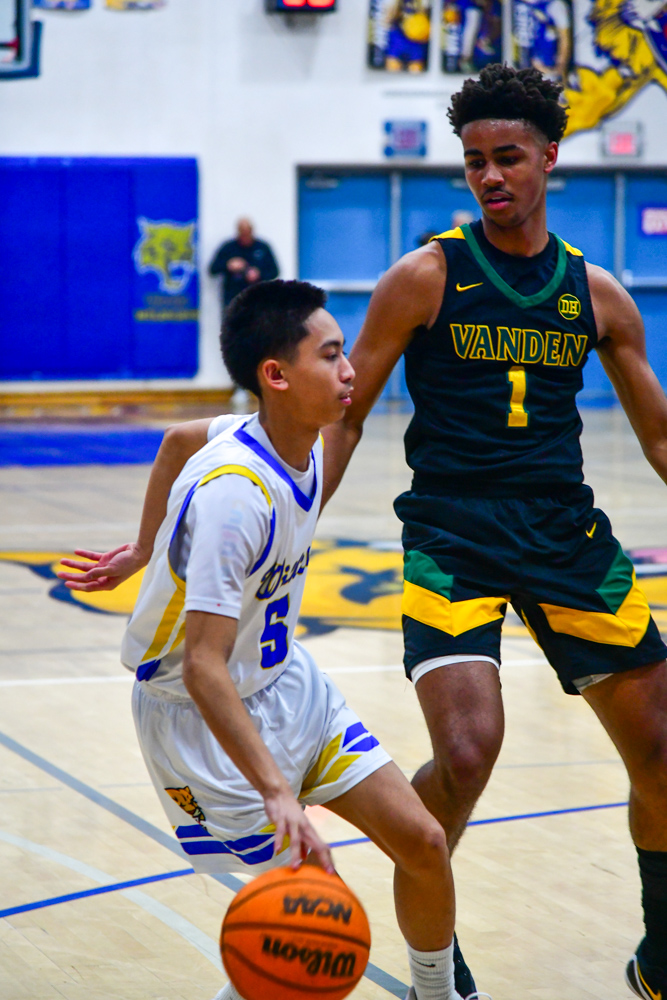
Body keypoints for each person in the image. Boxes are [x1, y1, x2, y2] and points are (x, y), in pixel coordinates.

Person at [320, 64, 667, 1000]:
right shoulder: (423, 276)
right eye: (473, 161)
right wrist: (292, 517)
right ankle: (431, 957)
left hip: (564, 535)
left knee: (661, 752)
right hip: (452, 534)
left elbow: (660, 438)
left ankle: (661, 956)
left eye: (506, 157)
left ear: (549, 157)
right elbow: (345, 418)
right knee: (468, 753)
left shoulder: (596, 294)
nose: (488, 176)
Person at [58, 280, 486, 1000]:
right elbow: (203, 667)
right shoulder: (236, 497)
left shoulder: (286, 438)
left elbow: (175, 440)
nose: (350, 369)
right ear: (276, 375)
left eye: (344, 353)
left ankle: (437, 994)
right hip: (202, 722)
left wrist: (143, 548)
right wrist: (277, 791)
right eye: (331, 354)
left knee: (423, 841)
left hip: (286, 683)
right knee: (302, 925)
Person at [209, 219, 280, 410]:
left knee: (261, 346)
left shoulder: (262, 248)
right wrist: (228, 265)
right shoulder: (229, 248)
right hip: (234, 306)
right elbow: (213, 269)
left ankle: (263, 387)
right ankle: (239, 387)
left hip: (258, 305)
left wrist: (258, 273)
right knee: (237, 348)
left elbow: (274, 271)